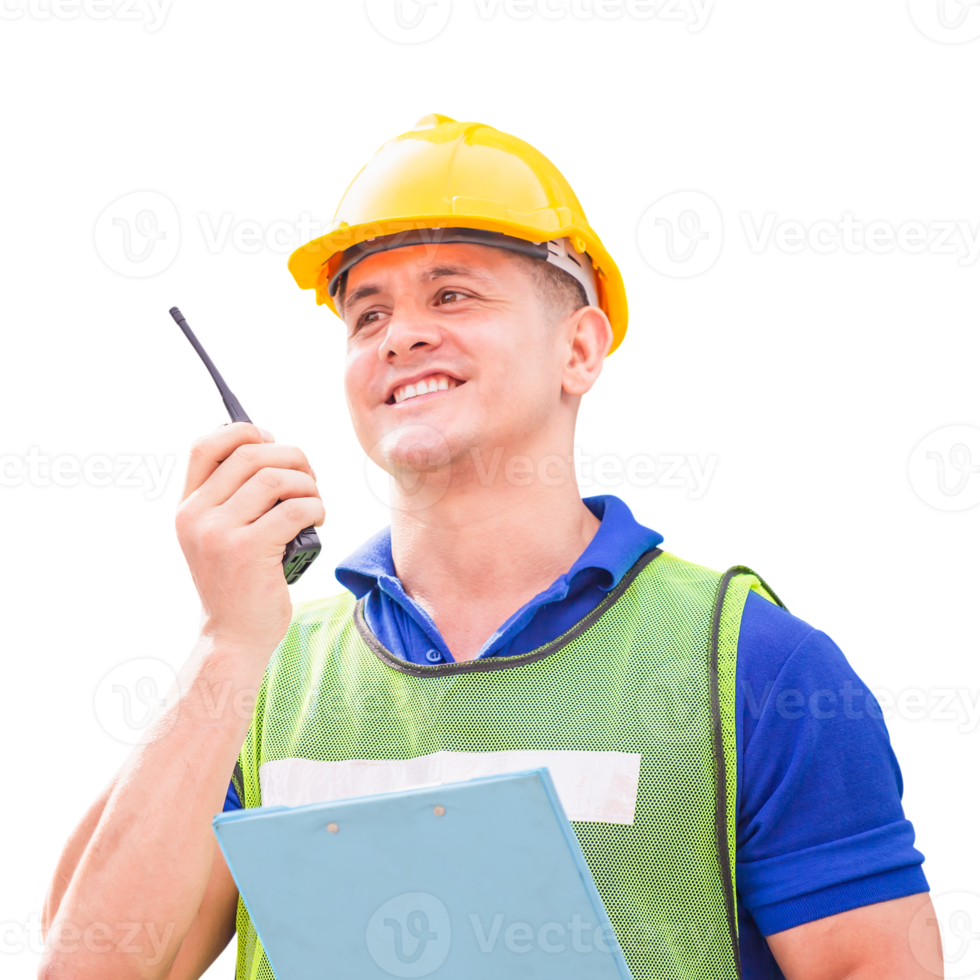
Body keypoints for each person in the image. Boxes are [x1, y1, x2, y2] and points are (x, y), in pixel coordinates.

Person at [37, 112, 943, 980]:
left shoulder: (752, 664)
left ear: (579, 350)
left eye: (453, 293)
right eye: (368, 315)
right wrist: (225, 643)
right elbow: (96, 970)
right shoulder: (262, 675)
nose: (405, 334)